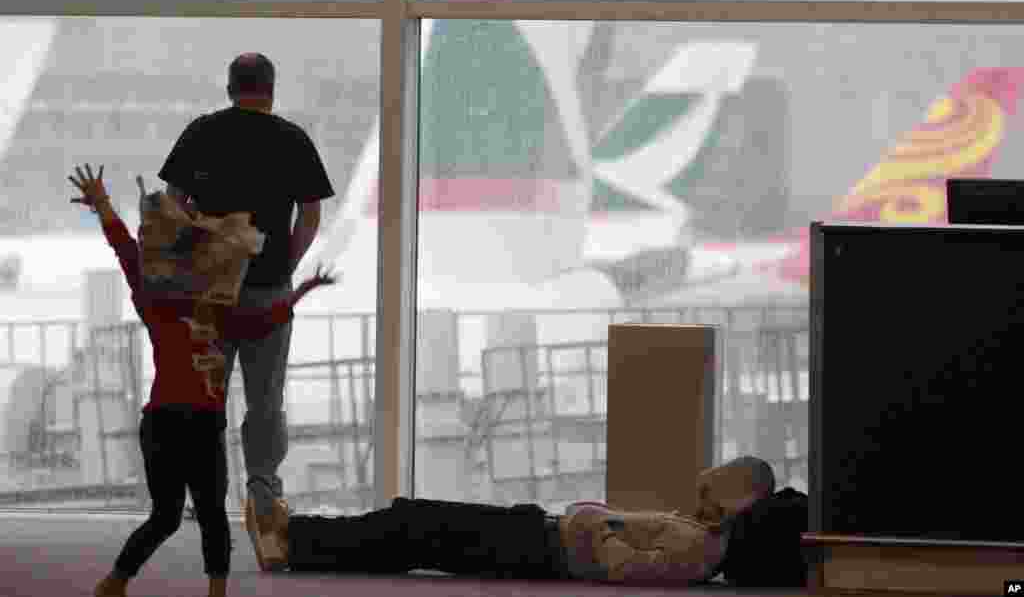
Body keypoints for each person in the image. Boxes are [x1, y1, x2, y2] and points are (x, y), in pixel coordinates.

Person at [69, 165, 337, 597]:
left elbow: (263, 320)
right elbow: (126, 252)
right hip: (178, 424)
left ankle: (162, 587)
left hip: (179, 424)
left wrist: (303, 289)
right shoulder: (173, 307)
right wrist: (103, 206)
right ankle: (117, 583)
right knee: (181, 515)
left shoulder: (203, 311)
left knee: (195, 515)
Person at [157, 52, 336, 569]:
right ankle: (263, 494)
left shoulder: (202, 132)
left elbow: (176, 200)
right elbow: (311, 211)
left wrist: (203, 245)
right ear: (271, 89)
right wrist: (287, 261)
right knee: (265, 400)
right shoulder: (293, 139)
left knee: (203, 394)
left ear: (230, 86)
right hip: (269, 290)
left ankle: (202, 491)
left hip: (211, 291)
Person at [256, 455, 808, 587]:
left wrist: (600, 528)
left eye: (716, 484)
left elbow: (624, 567)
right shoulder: (705, 539)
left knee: (412, 529)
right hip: (539, 533)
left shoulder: (699, 552)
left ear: (742, 505)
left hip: (541, 550)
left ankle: (294, 543)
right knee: (412, 522)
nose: (703, 484)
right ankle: (299, 536)